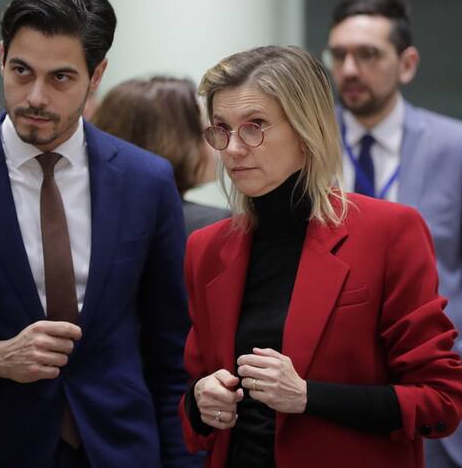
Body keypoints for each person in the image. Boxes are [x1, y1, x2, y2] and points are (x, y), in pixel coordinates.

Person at [0, 0, 195, 467]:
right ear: (1, 57)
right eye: (21, 71)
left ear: (97, 76)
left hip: (120, 449)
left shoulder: (147, 182)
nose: (36, 96)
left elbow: (173, 357)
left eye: (60, 77)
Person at [177, 45, 462, 468]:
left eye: (254, 126)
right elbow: (195, 397)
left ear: (306, 130)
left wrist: (309, 396)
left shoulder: (388, 231)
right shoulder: (207, 248)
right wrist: (202, 401)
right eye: (221, 128)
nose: (233, 148)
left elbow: (440, 402)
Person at [325, 0, 462, 465]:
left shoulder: (455, 149)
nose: (348, 69)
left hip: (436, 388)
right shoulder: (307, 150)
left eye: (367, 54)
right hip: (329, 391)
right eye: (338, 55)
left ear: (407, 64)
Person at [92, 76, 230, 236]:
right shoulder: (212, 226)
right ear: (169, 142)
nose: (217, 143)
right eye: (205, 131)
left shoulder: (84, 215)